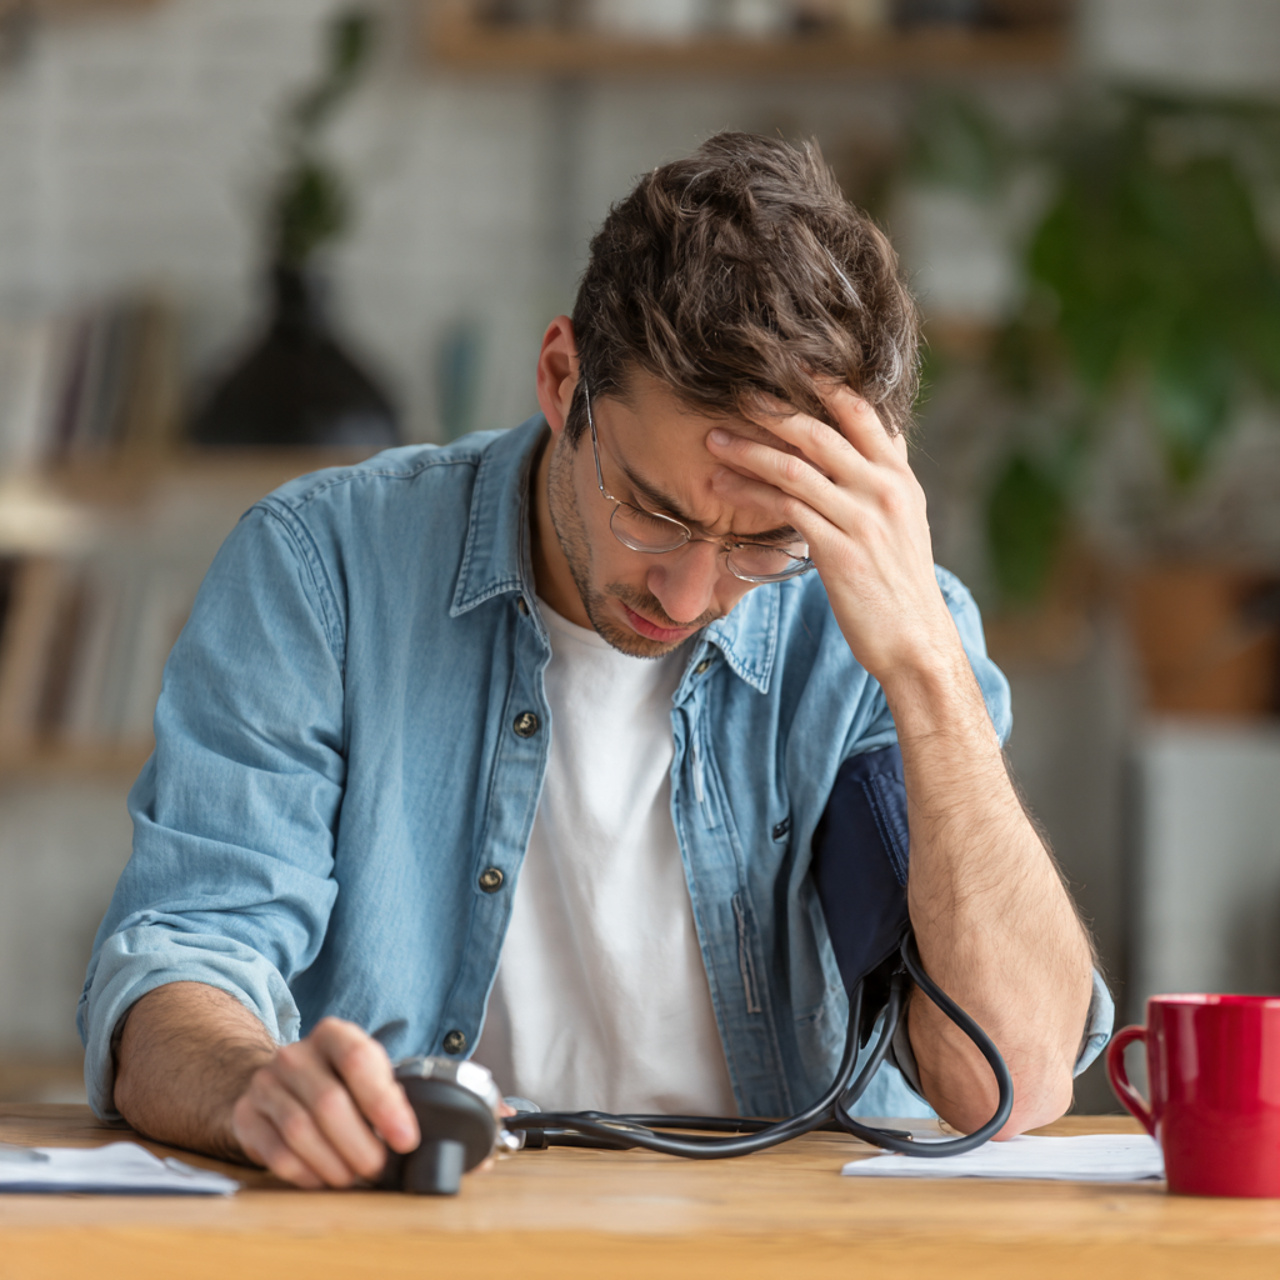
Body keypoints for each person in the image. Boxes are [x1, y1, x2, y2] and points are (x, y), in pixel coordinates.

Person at [80, 132, 1110, 1189]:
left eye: (765, 540)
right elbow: (178, 965)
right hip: (420, 1235)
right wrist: (255, 1081)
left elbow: (1013, 1082)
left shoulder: (885, 628)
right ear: (561, 377)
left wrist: (928, 675)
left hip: (789, 1248)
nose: (687, 593)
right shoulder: (321, 570)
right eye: (651, 511)